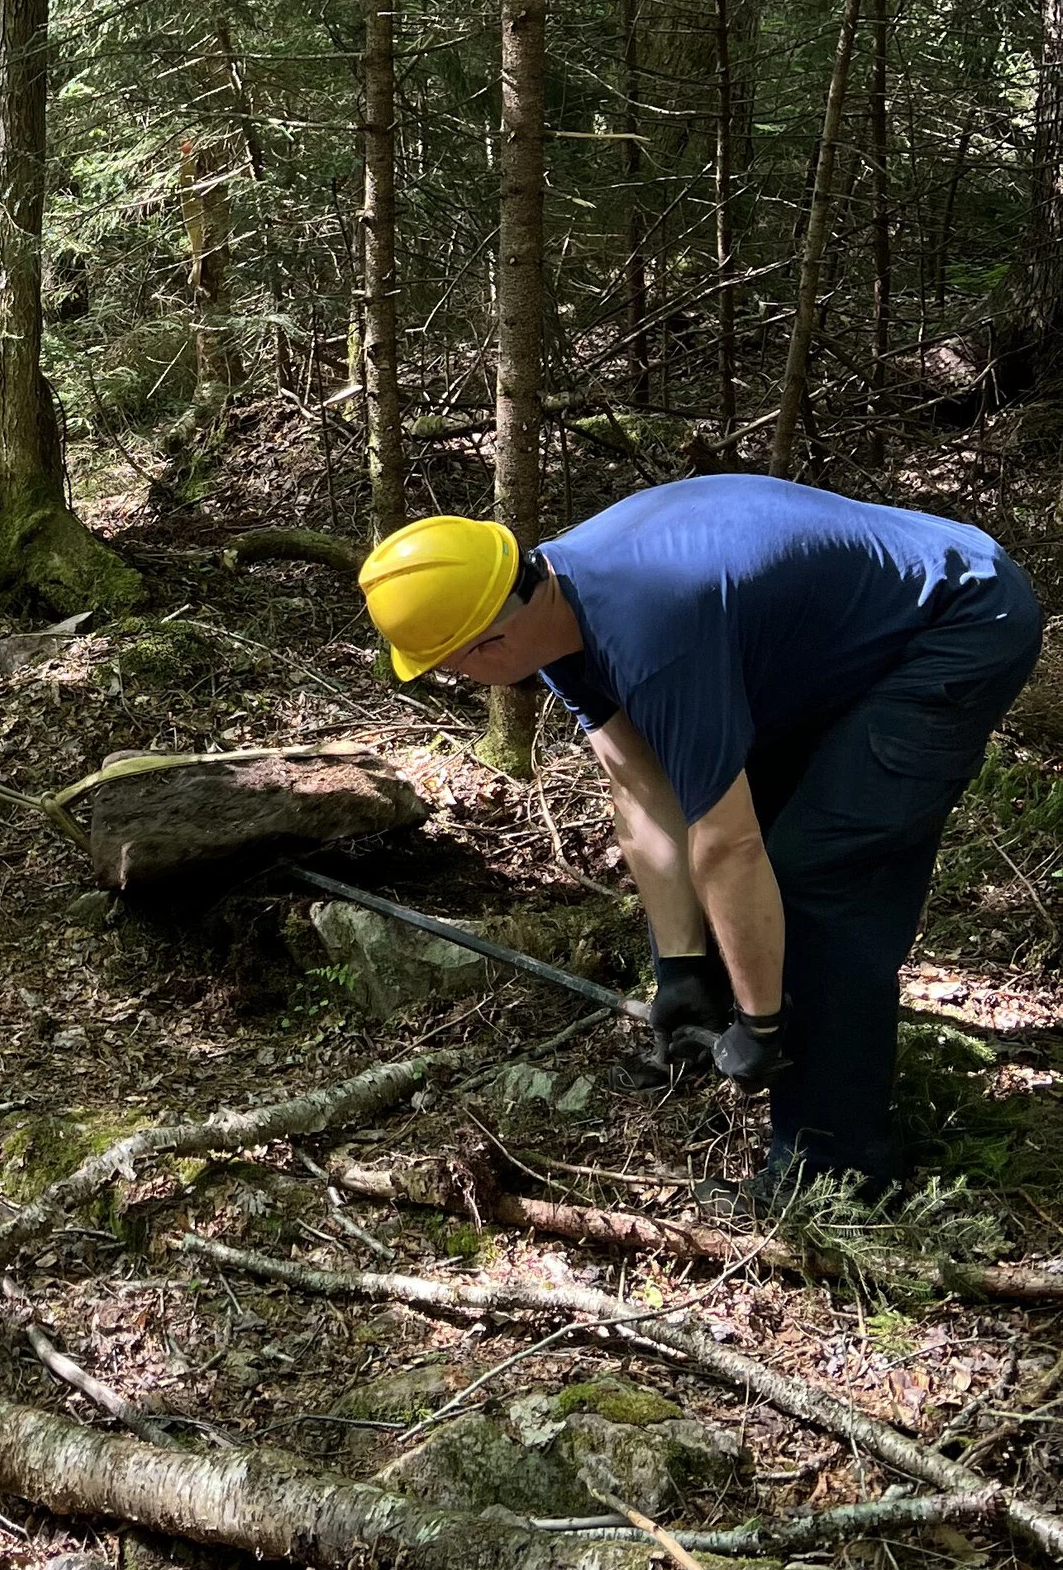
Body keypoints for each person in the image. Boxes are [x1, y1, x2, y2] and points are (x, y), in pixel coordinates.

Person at [357, 478, 1043, 1201]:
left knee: (816, 877)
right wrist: (682, 967)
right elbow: (643, 792)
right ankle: (753, 1028)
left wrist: (761, 1018)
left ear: (489, 642)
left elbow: (727, 846)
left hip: (957, 622)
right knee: (766, 857)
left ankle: (835, 1172)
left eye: (452, 664)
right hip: (833, 644)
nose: (460, 680)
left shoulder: (652, 632)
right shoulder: (557, 609)